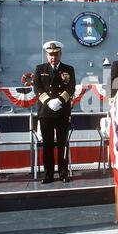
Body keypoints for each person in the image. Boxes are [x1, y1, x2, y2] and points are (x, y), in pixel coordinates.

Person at [34, 41, 76, 184]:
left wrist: (59, 100)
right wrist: (49, 101)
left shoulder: (68, 69)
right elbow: (37, 88)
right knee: (47, 145)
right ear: (47, 55)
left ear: (60, 54)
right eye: (51, 55)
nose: (53, 57)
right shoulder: (40, 69)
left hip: (62, 111)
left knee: (62, 144)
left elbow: (71, 88)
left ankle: (63, 173)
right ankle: (48, 174)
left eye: (56, 54)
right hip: (46, 112)